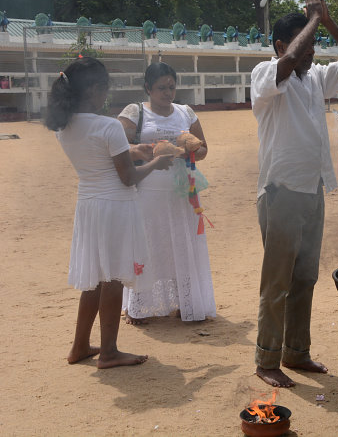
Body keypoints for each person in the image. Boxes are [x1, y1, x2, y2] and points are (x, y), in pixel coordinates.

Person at [250, 0, 338, 388]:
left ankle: (296, 353)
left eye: (315, 43)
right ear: (282, 44)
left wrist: (327, 21)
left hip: (313, 190)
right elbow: (290, 60)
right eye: (308, 43)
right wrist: (313, 19)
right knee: (277, 281)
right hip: (281, 191)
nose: (313, 51)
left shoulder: (314, 77)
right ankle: (267, 360)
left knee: (305, 278)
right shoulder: (266, 73)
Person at [45, 57, 173, 369]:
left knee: (94, 280)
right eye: (104, 88)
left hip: (89, 205)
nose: (106, 94)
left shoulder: (66, 126)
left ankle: (79, 346)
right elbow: (127, 177)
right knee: (113, 278)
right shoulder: (108, 125)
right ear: (93, 89)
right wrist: (157, 162)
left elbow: (99, 156)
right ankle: (109, 351)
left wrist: (132, 152)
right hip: (115, 206)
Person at [118, 62, 216, 324]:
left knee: (181, 246)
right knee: (148, 244)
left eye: (171, 87)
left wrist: (186, 150)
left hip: (181, 192)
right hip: (148, 190)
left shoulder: (186, 112)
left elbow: (204, 150)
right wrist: (143, 149)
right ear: (148, 88)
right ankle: (138, 307)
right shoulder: (135, 112)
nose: (167, 93)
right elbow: (118, 145)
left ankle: (186, 302)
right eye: (161, 88)